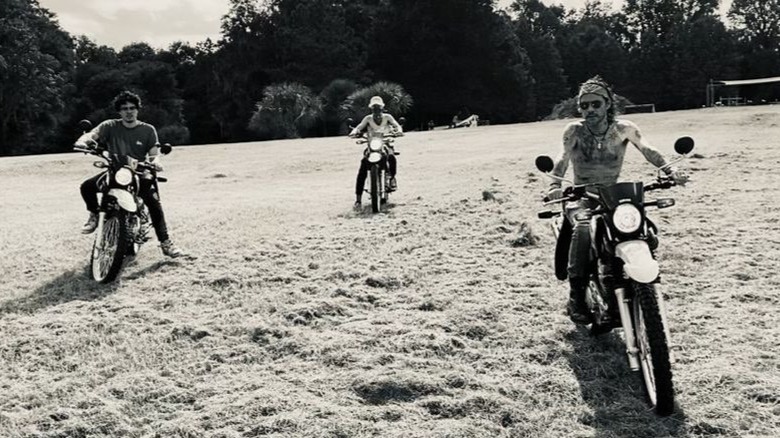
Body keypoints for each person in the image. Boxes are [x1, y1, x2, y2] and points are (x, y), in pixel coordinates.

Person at [547, 76, 688, 324]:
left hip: (612, 194)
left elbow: (648, 149)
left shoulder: (624, 128)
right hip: (582, 195)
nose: (589, 110)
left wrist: (670, 171)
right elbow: (562, 157)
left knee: (643, 228)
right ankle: (576, 296)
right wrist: (555, 185)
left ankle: (638, 281)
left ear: (608, 104)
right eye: (584, 105)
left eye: (595, 104)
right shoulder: (574, 131)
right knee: (581, 228)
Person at [75, 90, 182, 258]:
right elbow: (92, 134)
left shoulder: (148, 130)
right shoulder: (109, 125)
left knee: (153, 203)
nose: (129, 111)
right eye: (124, 108)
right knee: (87, 187)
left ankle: (166, 243)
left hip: (139, 171)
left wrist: (155, 162)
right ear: (119, 111)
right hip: (115, 170)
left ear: (138, 109)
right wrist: (83, 141)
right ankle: (95, 214)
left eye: (132, 108)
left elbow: (154, 153)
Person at [349, 96, 404, 209]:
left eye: (378, 108)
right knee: (363, 166)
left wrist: (399, 130)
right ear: (371, 109)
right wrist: (354, 131)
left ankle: (392, 178)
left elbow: (396, 125)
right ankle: (358, 199)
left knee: (392, 157)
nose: (377, 110)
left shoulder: (387, 117)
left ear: (382, 108)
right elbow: (359, 126)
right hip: (372, 145)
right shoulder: (368, 119)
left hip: (385, 143)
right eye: (374, 108)